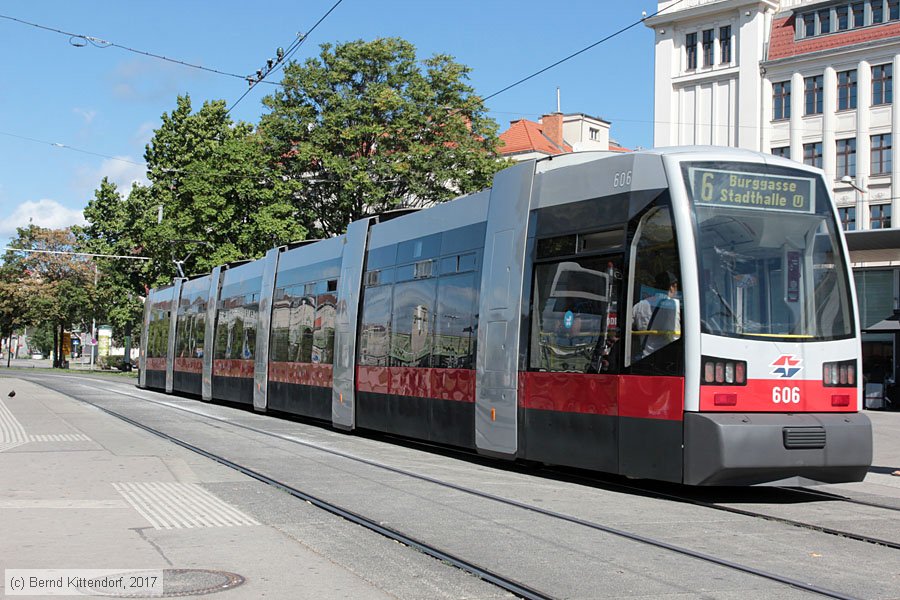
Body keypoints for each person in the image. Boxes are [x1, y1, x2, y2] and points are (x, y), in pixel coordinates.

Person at [633, 271, 681, 359]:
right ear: (672, 287)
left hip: (643, 359)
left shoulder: (639, 305)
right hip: (667, 360)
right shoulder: (676, 305)